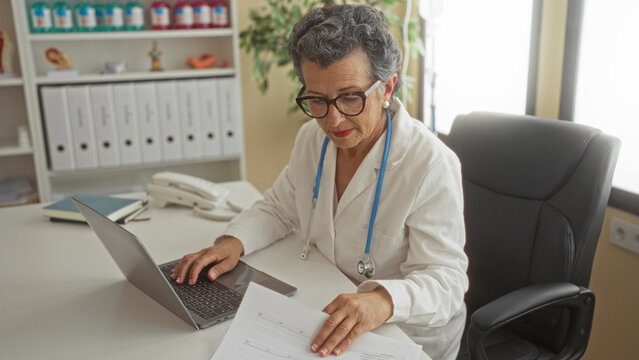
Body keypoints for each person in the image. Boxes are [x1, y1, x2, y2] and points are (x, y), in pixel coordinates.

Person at [171, 4, 468, 359]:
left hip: (405, 332)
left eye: (351, 97)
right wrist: (233, 241)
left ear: (387, 87)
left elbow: (447, 283)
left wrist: (381, 301)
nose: (334, 119)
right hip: (327, 299)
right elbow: (279, 207)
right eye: (317, 100)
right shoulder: (312, 139)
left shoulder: (430, 163)